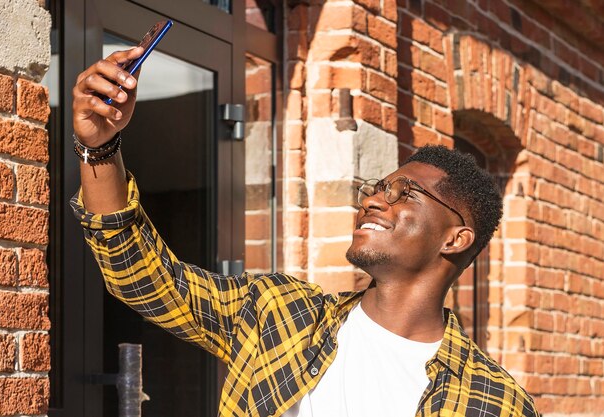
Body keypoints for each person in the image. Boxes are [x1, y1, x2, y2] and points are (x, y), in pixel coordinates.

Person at [70, 48, 540, 417]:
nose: (374, 200)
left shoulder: (493, 402)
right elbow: (145, 279)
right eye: (377, 188)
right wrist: (101, 148)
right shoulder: (282, 314)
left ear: (455, 239)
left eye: (405, 194)